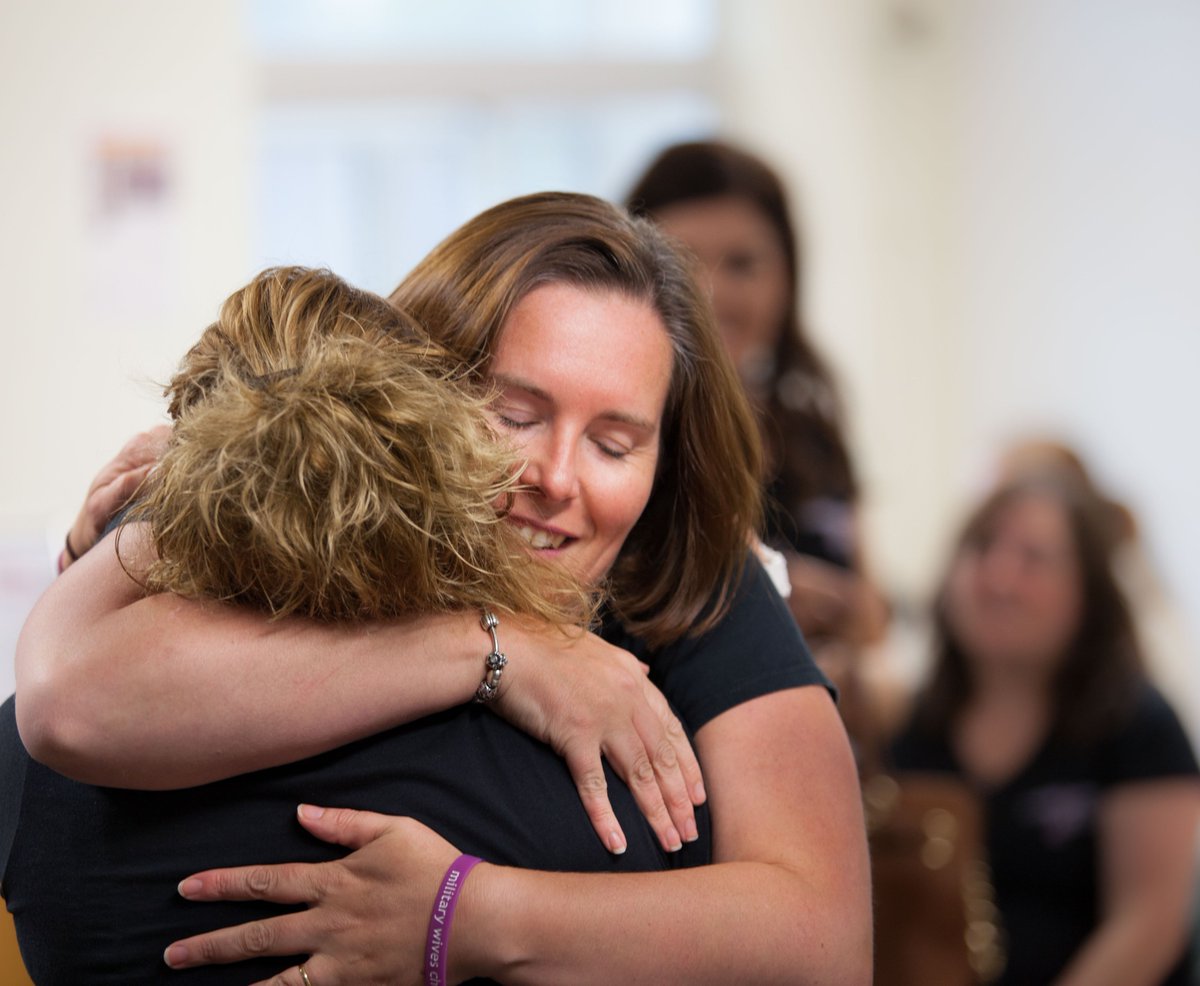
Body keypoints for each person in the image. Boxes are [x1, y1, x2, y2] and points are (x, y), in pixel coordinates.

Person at [8, 193, 871, 984]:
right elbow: (71, 705)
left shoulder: (678, 573)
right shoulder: (299, 503)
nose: (557, 478)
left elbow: (824, 941)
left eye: (615, 445)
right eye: (515, 415)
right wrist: (495, 648)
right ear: (417, 384)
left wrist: (466, 914)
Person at [886, 470, 1200, 986]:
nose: (1000, 579)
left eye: (1034, 559)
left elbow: (1150, 924)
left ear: (1088, 592)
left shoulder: (1140, 727)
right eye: (982, 548)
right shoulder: (909, 725)